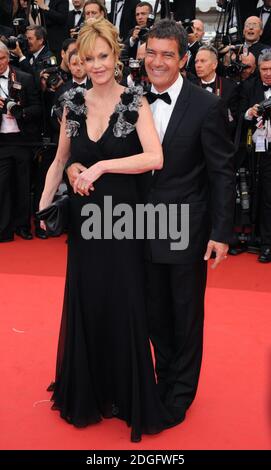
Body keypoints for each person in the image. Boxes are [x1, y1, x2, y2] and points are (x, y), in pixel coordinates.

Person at [39, 18, 175, 442]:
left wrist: (100, 165)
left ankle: (125, 393)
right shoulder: (73, 103)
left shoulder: (134, 100)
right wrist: (43, 204)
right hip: (84, 224)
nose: (96, 65)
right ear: (77, 60)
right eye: (88, 58)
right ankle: (91, 389)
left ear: (116, 57)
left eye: (103, 56)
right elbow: (61, 160)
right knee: (89, 298)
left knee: (125, 301)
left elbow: (155, 157)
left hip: (123, 222)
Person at [143, 20, 235, 424]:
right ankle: (162, 379)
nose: (157, 62)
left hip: (186, 225)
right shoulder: (131, 101)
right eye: (152, 52)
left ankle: (179, 395)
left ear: (183, 58)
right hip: (137, 226)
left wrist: (220, 232)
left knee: (185, 313)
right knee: (153, 312)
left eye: (167, 54)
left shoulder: (206, 105)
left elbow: (221, 172)